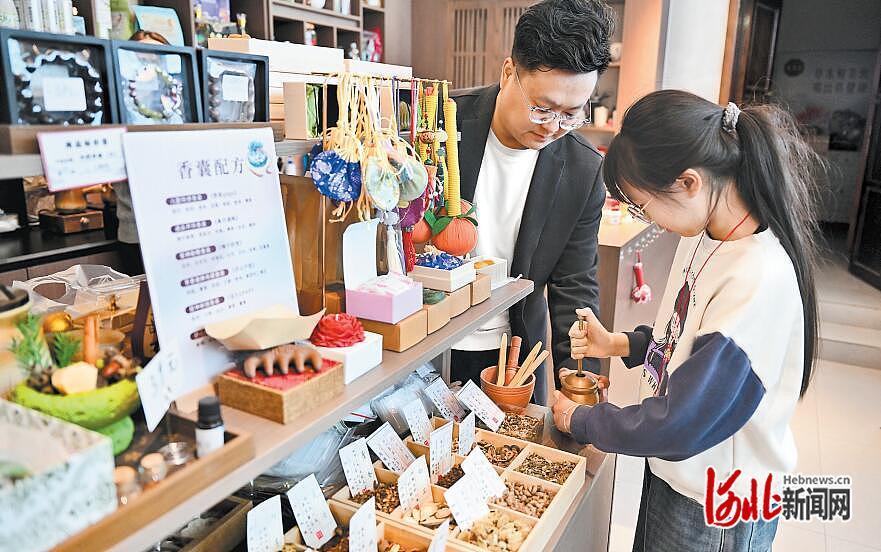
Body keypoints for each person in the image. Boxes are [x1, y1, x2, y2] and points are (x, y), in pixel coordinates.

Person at [552, 90, 822, 551]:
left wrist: (583, 420)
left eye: (643, 206)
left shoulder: (757, 277)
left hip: (716, 503)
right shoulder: (705, 236)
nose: (647, 219)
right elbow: (684, 345)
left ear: (689, 182)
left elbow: (683, 421)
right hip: (679, 473)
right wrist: (619, 344)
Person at [450, 0, 614, 405]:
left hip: (514, 358)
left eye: (571, 114)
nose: (553, 127)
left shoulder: (582, 169)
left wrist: (577, 380)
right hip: (427, 347)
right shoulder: (442, 122)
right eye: (542, 108)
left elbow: (575, 285)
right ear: (509, 72)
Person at [112, 30, 171, 276]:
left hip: (181, 230)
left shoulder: (177, 109)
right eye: (142, 59)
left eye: (157, 59)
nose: (150, 67)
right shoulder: (120, 107)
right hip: (136, 234)